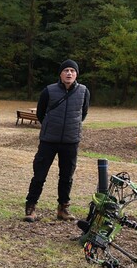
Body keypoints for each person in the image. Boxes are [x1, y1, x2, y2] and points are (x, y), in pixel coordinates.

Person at [24, 60, 90, 222]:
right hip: (49, 140)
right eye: (66, 70)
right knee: (39, 175)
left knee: (67, 176)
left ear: (76, 74)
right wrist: (50, 126)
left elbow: (83, 114)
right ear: (60, 74)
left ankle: (63, 208)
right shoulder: (49, 90)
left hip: (71, 141)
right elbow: (40, 113)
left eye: (72, 71)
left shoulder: (83, 91)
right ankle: (31, 207)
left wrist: (70, 128)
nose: (69, 73)